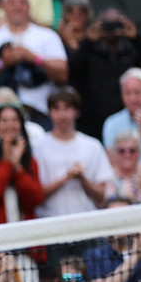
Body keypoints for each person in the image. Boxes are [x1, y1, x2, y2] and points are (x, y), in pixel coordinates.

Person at [0, 0, 68, 129]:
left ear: (29, 7)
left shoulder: (48, 36)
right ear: (4, 7)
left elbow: (63, 74)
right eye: (12, 2)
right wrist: (3, 63)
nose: (17, 7)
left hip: (40, 112)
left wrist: (35, 59)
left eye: (22, 2)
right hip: (0, 116)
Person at [70, 12, 141, 141]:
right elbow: (73, 71)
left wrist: (136, 38)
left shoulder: (131, 48)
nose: (111, 29)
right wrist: (87, 41)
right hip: (92, 122)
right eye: (106, 24)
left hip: (128, 120)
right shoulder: (90, 50)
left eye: (116, 24)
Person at [32, 87, 112, 218]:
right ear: (50, 112)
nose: (62, 115)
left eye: (67, 108)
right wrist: (66, 178)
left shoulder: (93, 146)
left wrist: (82, 179)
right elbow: (36, 194)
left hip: (87, 220)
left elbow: (101, 194)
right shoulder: (38, 146)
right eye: (57, 108)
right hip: (49, 221)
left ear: (76, 111)